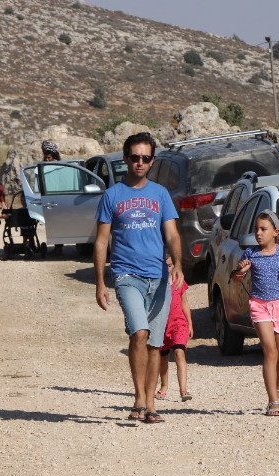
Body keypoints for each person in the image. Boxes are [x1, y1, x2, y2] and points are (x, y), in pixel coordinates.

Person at [94, 131, 183, 425]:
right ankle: (139, 399)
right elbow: (101, 242)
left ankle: (151, 405)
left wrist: (179, 263)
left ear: (152, 161)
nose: (139, 163)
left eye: (145, 158)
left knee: (156, 343)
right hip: (126, 275)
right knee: (139, 333)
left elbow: (171, 232)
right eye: (134, 158)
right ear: (125, 159)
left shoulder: (160, 194)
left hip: (158, 278)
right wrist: (100, 282)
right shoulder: (112, 196)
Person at [232, 209, 279, 416]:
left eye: (263, 229)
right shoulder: (250, 254)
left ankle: (277, 386)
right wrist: (241, 271)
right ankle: (273, 400)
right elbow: (237, 276)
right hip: (259, 305)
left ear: (276, 231)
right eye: (256, 229)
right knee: (270, 351)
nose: (258, 233)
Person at [155, 256, 194, 402]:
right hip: (162, 324)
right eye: (166, 266)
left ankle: (183, 389)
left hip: (179, 323)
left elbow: (184, 302)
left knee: (179, 353)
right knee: (163, 356)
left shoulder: (179, 281)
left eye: (171, 265)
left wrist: (189, 323)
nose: (169, 269)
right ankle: (164, 385)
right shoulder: (157, 283)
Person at [41, 140, 66, 256]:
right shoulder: (44, 167)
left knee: (59, 223)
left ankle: (59, 248)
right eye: (46, 157)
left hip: (58, 198)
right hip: (49, 198)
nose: (47, 159)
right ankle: (57, 247)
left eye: (49, 157)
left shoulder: (58, 167)